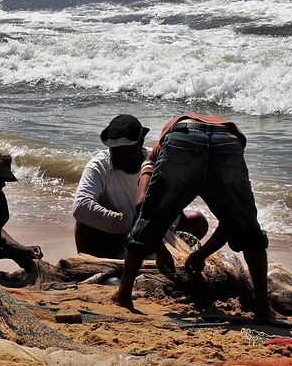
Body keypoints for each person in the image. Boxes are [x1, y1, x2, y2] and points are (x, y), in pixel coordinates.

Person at [112, 113, 271, 319]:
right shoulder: (219, 137)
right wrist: (201, 254)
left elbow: (141, 204)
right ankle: (263, 307)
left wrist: (159, 249)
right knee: (250, 232)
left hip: (182, 139)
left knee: (148, 219)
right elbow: (230, 222)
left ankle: (123, 295)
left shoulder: (153, 154)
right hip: (229, 140)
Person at [73, 114, 208, 258]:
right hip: (115, 234)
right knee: (84, 224)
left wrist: (154, 228)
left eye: (129, 149)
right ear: (110, 148)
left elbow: (173, 202)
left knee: (197, 221)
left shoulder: (159, 162)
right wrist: (130, 224)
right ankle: (92, 264)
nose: (123, 155)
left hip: (154, 230)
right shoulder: (98, 166)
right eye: (117, 150)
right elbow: (81, 207)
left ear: (140, 144)